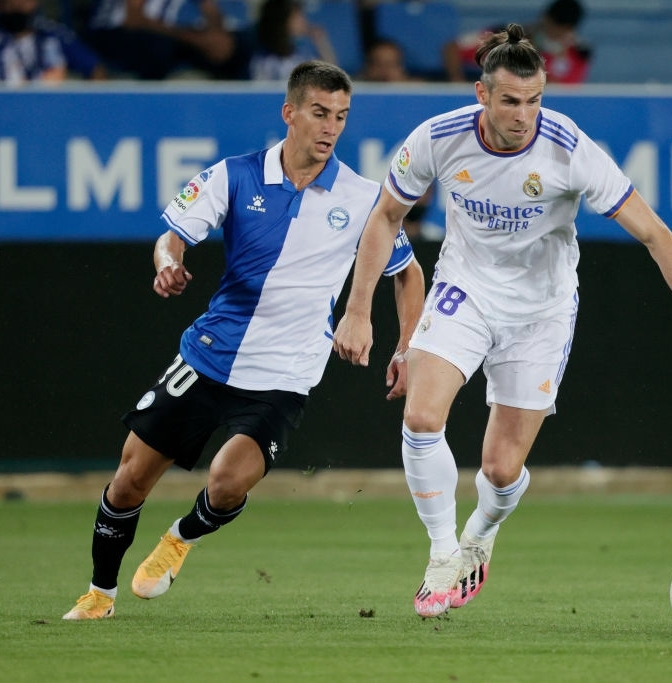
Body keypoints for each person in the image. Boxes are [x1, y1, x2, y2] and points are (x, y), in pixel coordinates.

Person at [333, 24, 672, 618]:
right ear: (481, 95)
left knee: (500, 469)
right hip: (464, 290)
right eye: (511, 100)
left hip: (541, 310)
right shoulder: (437, 139)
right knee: (422, 415)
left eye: (535, 99)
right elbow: (384, 216)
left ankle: (480, 534)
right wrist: (359, 311)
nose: (524, 115)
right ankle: (444, 555)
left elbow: (654, 233)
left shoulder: (569, 148)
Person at [62, 60, 425, 620]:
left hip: (285, 376)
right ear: (290, 113)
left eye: (342, 117)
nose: (331, 127)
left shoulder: (362, 198)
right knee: (130, 480)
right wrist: (166, 264)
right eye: (320, 113)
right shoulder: (234, 175)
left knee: (228, 483)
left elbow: (408, 274)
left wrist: (404, 347)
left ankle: (180, 539)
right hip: (208, 358)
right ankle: (98, 595)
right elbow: (172, 239)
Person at [84, 0, 252, 79]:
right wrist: (197, 40)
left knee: (238, 47)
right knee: (157, 47)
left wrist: (217, 36)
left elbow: (211, 11)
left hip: (174, 36)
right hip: (116, 32)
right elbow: (134, 19)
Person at [443, 0, 592, 84]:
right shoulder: (504, 34)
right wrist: (458, 83)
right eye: (552, 28)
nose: (554, 34)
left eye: (561, 32)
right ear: (544, 18)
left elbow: (565, 91)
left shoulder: (579, 54)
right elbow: (452, 48)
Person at [0, 0, 107, 84]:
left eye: (24, 2)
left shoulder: (53, 34)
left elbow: (95, 69)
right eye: (11, 3)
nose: (18, 5)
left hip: (56, 114)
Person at [249, 0, 336, 82]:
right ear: (282, 22)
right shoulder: (264, 61)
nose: (303, 22)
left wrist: (320, 40)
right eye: (297, 18)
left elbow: (332, 75)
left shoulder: (301, 57)